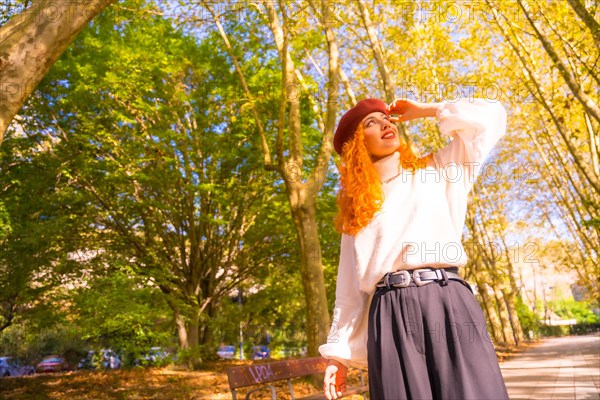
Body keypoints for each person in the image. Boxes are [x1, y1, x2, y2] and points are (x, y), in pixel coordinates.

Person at [319, 97, 509, 399]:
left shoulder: (438, 168)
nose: (384, 123)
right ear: (357, 145)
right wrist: (336, 356)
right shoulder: (357, 211)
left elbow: (491, 117)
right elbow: (348, 292)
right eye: (371, 122)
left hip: (448, 300)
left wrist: (427, 110)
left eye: (385, 118)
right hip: (390, 315)